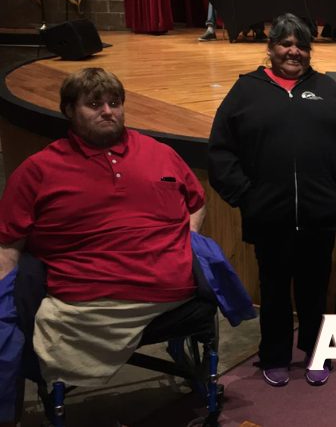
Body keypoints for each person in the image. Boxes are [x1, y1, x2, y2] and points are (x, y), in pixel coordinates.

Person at [0, 68, 206, 389]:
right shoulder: (37, 170)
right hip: (86, 305)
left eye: (114, 102)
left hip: (170, 291)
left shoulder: (160, 152)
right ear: (69, 110)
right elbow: (8, 243)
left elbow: (196, 201)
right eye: (95, 105)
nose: (108, 111)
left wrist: (187, 241)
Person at [208, 13, 336, 388]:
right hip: (269, 216)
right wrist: (245, 196)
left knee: (316, 290)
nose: (293, 51)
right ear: (271, 49)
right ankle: (276, 355)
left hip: (320, 213)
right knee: (275, 289)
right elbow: (221, 150)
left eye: (301, 45)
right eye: (286, 44)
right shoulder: (247, 89)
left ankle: (317, 353)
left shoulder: (328, 89)